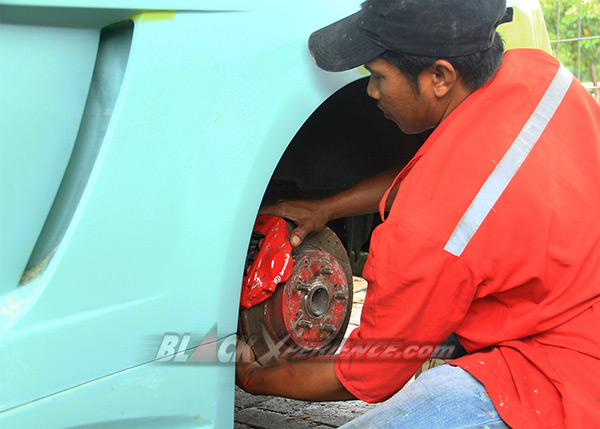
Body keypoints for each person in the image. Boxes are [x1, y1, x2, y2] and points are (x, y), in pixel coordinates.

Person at [236, 0, 600, 427]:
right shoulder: (541, 74)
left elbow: (366, 375)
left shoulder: (423, 230)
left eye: (377, 76)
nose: (371, 92)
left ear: (440, 77)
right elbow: (443, 173)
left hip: (564, 377)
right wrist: (326, 209)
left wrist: (256, 376)